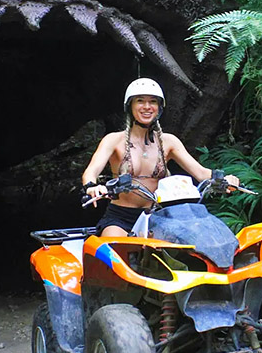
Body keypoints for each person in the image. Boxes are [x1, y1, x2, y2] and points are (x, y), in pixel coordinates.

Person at [81, 78, 239, 236]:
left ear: (159, 107)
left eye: (153, 102)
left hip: (157, 216)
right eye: (140, 101)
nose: (147, 107)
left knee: (183, 249)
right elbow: (91, 171)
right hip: (120, 217)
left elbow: (201, 173)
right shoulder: (114, 140)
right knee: (115, 245)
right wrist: (92, 187)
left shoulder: (168, 142)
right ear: (130, 106)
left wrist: (226, 180)